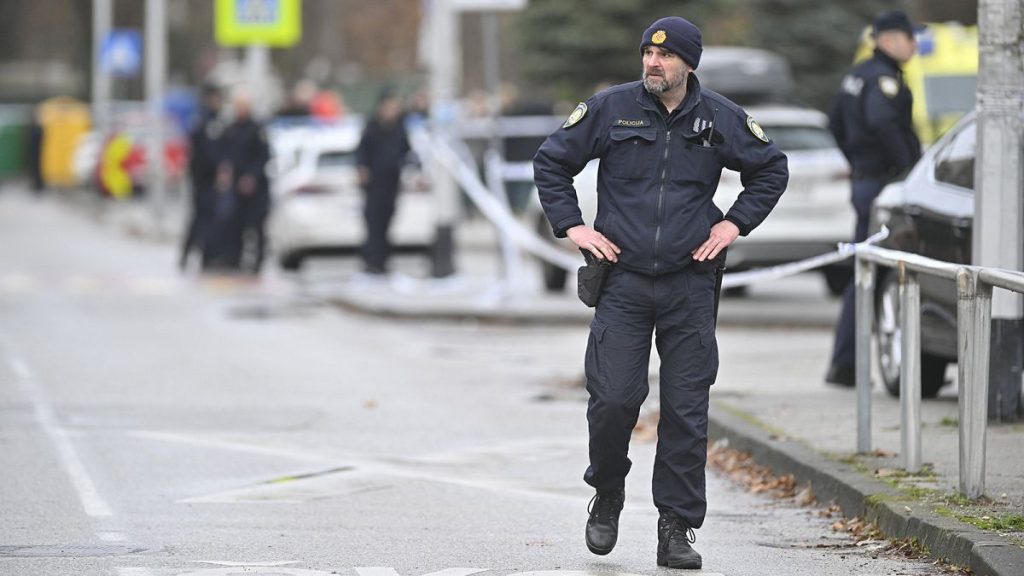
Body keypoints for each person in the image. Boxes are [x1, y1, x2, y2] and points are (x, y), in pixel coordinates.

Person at [534, 16, 788, 569]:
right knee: (613, 401)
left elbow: (770, 169)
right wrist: (574, 228)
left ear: (688, 64)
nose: (653, 63)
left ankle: (675, 527)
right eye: (648, 55)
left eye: (666, 57)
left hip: (690, 285)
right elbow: (551, 161)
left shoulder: (719, 117)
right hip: (622, 282)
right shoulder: (611, 108)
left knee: (685, 412)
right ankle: (608, 490)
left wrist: (733, 225)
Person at [825, 11, 923, 387]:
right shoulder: (884, 79)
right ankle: (848, 364)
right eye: (908, 37)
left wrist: (857, 162)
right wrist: (907, 170)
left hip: (865, 182)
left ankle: (845, 364)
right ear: (887, 40)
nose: (913, 44)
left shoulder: (857, 74)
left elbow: (834, 122)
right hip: (883, 185)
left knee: (861, 271)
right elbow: (883, 123)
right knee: (871, 273)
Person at [355, 90, 410, 275]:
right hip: (374, 183)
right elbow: (362, 152)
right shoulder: (372, 128)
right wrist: (363, 169)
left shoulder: (399, 128)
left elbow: (406, 152)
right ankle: (372, 261)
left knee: (387, 223)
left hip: (392, 181)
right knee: (373, 223)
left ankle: (383, 261)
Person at [223, 93, 271, 274]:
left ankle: (258, 262)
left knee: (257, 227)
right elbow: (227, 155)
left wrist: (252, 177)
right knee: (236, 225)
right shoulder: (232, 129)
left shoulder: (257, 130)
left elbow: (263, 157)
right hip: (236, 187)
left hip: (257, 189)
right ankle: (235, 259)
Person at [180, 84, 226, 271]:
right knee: (199, 218)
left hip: (213, 179)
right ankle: (188, 254)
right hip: (201, 179)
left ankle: (208, 256)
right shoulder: (201, 121)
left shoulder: (218, 121)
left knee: (211, 219)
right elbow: (199, 152)